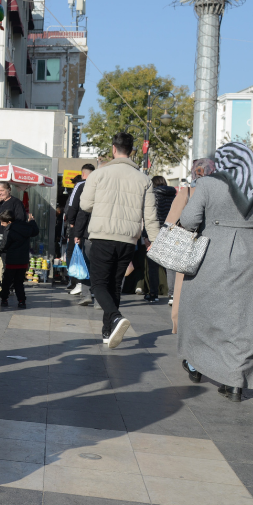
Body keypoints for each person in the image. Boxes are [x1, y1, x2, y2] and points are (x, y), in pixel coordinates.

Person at [178, 142, 253, 402]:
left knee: (201, 310)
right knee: (243, 320)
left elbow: (189, 220)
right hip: (249, 255)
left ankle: (197, 362)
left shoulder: (209, 184)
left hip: (211, 253)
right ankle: (235, 381)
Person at [80, 132, 160, 348]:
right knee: (115, 284)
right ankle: (107, 332)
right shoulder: (144, 180)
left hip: (103, 235)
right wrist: (153, 240)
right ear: (132, 151)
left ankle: (114, 318)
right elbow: (151, 216)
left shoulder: (98, 174)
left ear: (113, 149)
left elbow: (85, 205)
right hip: (128, 239)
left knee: (98, 284)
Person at [167, 158, 215, 324]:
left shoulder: (187, 192)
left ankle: (180, 323)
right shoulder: (219, 194)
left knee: (183, 286)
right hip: (214, 249)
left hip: (188, 248)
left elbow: (171, 222)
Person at [0, 182, 25, 295]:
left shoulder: (16, 203)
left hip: (8, 237)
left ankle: (10, 287)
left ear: (9, 190)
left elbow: (20, 219)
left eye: (1, 191)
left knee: (7, 263)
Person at [143, 176, 177, 303]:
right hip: (171, 231)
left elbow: (149, 216)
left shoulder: (153, 195)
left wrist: (146, 236)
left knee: (153, 265)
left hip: (155, 231)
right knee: (170, 265)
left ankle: (153, 294)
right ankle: (172, 294)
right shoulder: (174, 195)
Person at [0, 211, 38, 309]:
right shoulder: (25, 227)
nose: (1, 225)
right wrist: (32, 221)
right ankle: (21, 301)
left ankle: (4, 299)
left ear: (9, 222)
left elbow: (4, 245)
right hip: (23, 261)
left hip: (12, 260)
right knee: (19, 282)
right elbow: (35, 231)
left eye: (3, 223)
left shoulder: (9, 230)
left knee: (7, 281)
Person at [69, 163, 96, 303]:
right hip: (104, 233)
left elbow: (78, 209)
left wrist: (75, 230)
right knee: (100, 265)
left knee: (86, 262)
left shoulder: (81, 186)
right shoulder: (105, 186)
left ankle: (86, 293)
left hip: (87, 231)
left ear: (83, 174)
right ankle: (98, 297)